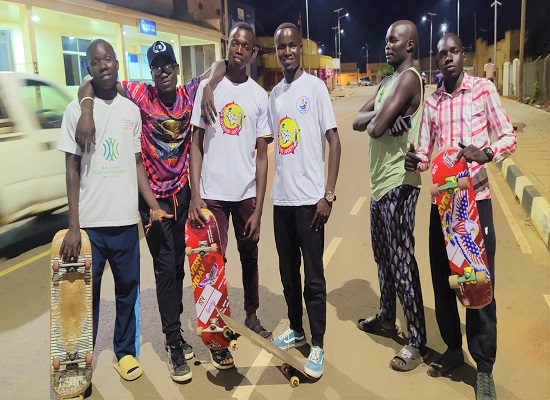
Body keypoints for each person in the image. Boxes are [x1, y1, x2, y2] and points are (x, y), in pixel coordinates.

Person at [75, 41, 226, 382]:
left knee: (177, 270)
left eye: (168, 65)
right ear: (151, 73)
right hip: (153, 201)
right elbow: (93, 82)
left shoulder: (189, 92)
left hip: (182, 197)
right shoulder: (139, 94)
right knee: (163, 269)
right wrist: (86, 106)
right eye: (156, 67)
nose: (163, 72)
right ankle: (173, 342)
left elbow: (218, 64)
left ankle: (178, 330)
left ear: (176, 68)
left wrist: (209, 88)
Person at [405, 33, 517, 400]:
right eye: (442, 54)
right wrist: (415, 161)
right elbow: (424, 151)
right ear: (436, 62)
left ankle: (484, 368)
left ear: (462, 55)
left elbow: (508, 137)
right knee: (443, 280)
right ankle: (454, 349)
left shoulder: (483, 90)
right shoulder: (433, 102)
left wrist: (485, 152)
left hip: (475, 205)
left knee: (479, 285)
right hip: (443, 208)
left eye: (454, 51)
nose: (448, 58)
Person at [57, 39, 171, 392]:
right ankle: (80, 365)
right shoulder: (75, 111)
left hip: (124, 224)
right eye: (95, 61)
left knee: (128, 292)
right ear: (88, 69)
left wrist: (152, 205)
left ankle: (124, 353)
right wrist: (73, 226)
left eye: (108, 59)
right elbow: (72, 169)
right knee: (82, 301)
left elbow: (137, 164)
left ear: (117, 63)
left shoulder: (130, 111)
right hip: (89, 228)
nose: (103, 65)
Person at [188, 22, 272, 369]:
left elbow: (263, 155)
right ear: (228, 47)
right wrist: (196, 194)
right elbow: (195, 145)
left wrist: (259, 209)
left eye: (245, 46)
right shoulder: (209, 90)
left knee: (249, 257)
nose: (238, 50)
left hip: (245, 194)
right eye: (234, 44)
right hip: (213, 195)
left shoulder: (258, 96)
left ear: (253, 53)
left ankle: (251, 314)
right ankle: (217, 326)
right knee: (213, 264)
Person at [352, 20, 428, 372]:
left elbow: (376, 128)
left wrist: (383, 117)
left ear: (409, 45)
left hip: (400, 181)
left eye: (393, 40)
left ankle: (416, 339)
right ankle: (386, 315)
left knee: (400, 261)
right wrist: (382, 114)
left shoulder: (409, 79)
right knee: (383, 257)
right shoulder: (386, 83)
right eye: (386, 39)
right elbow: (357, 121)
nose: (387, 45)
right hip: (380, 183)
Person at [268, 23, 341, 379]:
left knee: (314, 277)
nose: (286, 52)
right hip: (281, 202)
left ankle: (318, 344)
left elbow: (335, 142)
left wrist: (327, 196)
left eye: (292, 46)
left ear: (301, 49)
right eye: (281, 47)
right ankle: (296, 328)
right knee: (287, 273)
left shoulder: (315, 89)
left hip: (311, 202)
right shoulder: (274, 95)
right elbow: (273, 145)